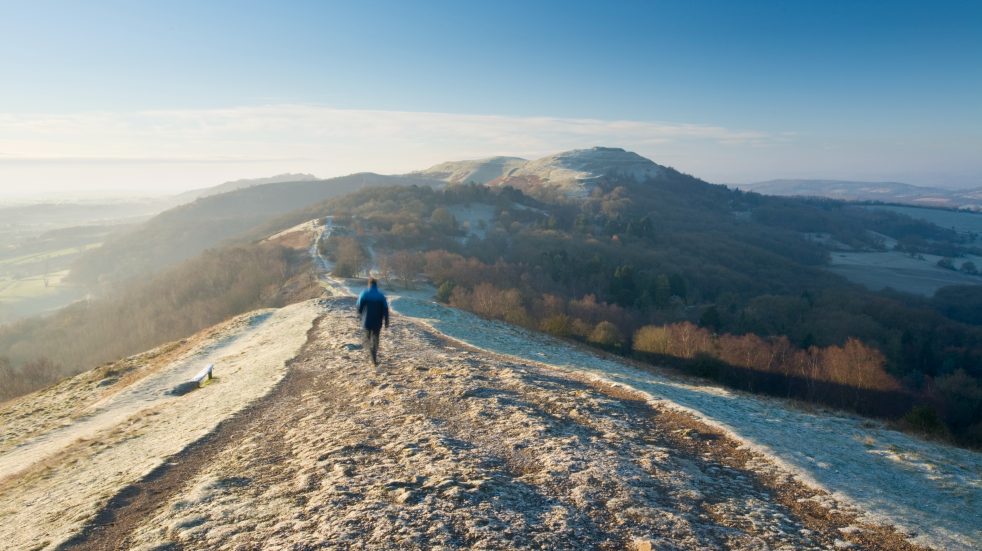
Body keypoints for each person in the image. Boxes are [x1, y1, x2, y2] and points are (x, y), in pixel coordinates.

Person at [356, 278, 389, 366]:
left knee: (367, 339)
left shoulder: (364, 293)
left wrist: (359, 316)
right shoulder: (381, 295)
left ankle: (372, 356)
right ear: (376, 285)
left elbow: (359, 307)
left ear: (369, 284)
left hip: (366, 321)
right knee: (376, 339)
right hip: (377, 322)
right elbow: (385, 309)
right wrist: (386, 321)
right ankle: (374, 355)